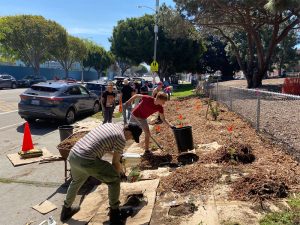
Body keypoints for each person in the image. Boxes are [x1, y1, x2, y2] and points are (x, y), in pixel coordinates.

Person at [60, 123, 142, 224]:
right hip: (87, 159)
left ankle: (66, 210)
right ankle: (115, 214)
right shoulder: (121, 138)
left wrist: (119, 155)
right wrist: (121, 174)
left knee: (76, 181)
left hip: (74, 155)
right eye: (132, 137)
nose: (130, 139)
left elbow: (104, 146)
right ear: (128, 132)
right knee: (114, 180)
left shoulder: (111, 125)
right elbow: (115, 163)